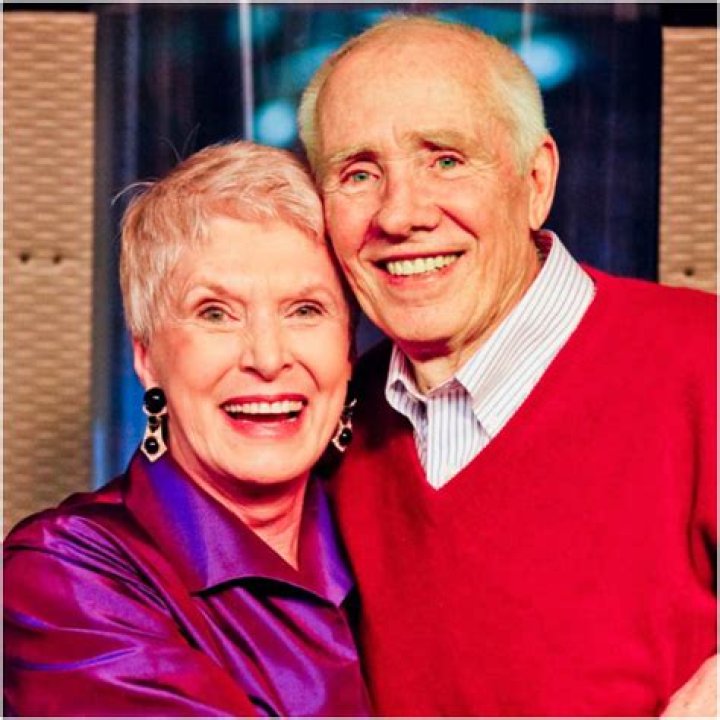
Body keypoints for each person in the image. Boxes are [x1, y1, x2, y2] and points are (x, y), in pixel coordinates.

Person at [298, 14, 717, 718]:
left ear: (535, 180)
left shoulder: (703, 357)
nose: (400, 215)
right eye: (359, 173)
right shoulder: (329, 429)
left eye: (446, 160)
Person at [3, 141, 371, 717]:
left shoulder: (388, 529)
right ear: (147, 356)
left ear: (348, 350)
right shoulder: (62, 573)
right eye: (215, 313)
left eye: (305, 309)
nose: (267, 358)